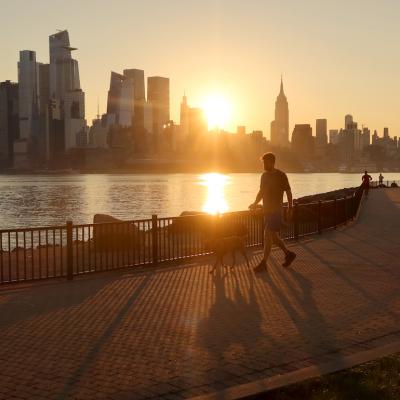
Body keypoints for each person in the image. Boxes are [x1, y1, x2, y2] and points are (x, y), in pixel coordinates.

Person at [249, 152, 296, 272]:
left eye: (265, 162)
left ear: (272, 162)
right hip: (267, 211)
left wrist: (290, 208)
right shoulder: (264, 176)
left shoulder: (281, 175)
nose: (263, 164)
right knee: (273, 237)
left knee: (267, 234)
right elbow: (261, 192)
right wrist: (255, 203)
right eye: (263, 162)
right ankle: (288, 254)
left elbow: (288, 192)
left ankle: (264, 263)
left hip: (276, 211)